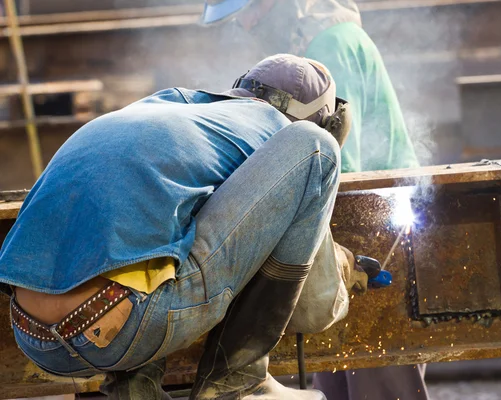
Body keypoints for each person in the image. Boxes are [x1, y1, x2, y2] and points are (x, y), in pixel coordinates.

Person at [0, 54, 370, 400]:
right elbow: (313, 308)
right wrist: (341, 267)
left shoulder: (170, 109)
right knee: (318, 148)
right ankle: (240, 384)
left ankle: (135, 390)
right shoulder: (281, 134)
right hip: (121, 329)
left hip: (32, 334)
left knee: (159, 231)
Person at [201, 1, 428, 399]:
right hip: (355, 219)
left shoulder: (329, 45)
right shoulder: (314, 43)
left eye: (250, 11)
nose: (247, 24)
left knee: (376, 371)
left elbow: (332, 162)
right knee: (338, 372)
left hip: (369, 223)